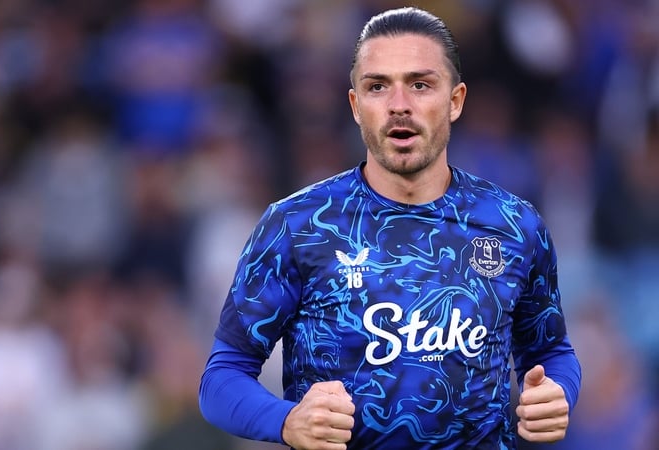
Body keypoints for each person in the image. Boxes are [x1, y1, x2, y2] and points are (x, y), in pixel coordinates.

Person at [198, 7, 581, 449]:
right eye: (378, 86)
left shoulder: (514, 226)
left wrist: (556, 394)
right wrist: (287, 422)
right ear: (356, 106)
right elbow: (221, 378)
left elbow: (551, 352)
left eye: (420, 85)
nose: (400, 105)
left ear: (455, 101)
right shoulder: (298, 225)